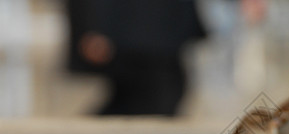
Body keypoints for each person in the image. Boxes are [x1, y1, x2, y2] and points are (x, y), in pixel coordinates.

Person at [66, 0, 206, 115]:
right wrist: (93, 27)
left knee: (148, 97)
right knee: (159, 96)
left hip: (155, 30)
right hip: (135, 31)